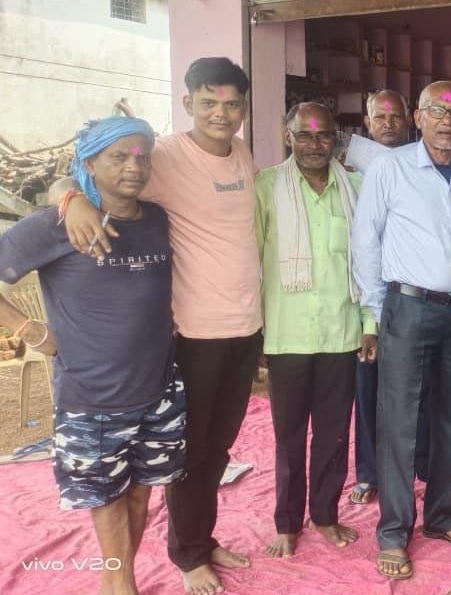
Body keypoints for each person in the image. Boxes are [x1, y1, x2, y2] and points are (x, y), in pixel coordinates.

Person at [62, 57, 261, 595]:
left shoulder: (242, 152)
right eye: (209, 103)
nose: (221, 114)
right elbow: (91, 168)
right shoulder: (166, 156)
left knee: (218, 450)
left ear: (243, 108)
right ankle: (187, 554)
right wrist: (70, 197)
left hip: (246, 328)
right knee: (190, 453)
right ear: (188, 102)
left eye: (232, 104)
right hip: (195, 333)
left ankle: (202, 537)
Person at [0, 117, 182, 595]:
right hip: (93, 397)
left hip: (159, 390)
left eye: (141, 156)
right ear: (90, 163)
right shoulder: (56, 224)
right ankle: (120, 583)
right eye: (119, 157)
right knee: (107, 499)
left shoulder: (157, 219)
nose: (133, 166)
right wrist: (29, 329)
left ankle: (118, 578)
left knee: (140, 494)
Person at [351, 81, 451, 581]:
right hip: (407, 308)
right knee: (400, 420)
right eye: (437, 111)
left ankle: (441, 516)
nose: (447, 120)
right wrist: (374, 312)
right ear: (418, 117)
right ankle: (393, 530)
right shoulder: (390, 167)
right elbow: (365, 241)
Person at [257, 103, 376, 557]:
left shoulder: (356, 189)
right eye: (303, 135)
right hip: (286, 335)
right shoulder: (266, 187)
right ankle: (287, 523)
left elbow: (368, 265)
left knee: (333, 433)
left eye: (323, 135)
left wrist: (370, 324)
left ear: (335, 139)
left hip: (340, 333)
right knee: (289, 437)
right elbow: (251, 260)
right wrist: (254, 333)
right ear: (287, 135)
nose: (314, 144)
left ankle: (324, 515)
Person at [347, 89, 411, 507]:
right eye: (379, 117)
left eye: (395, 116)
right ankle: (369, 472)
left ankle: (419, 467)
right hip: (368, 297)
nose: (388, 123)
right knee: (368, 387)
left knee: (416, 391)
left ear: (409, 120)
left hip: (414, 296)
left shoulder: (420, 168)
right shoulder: (349, 176)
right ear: (367, 123)